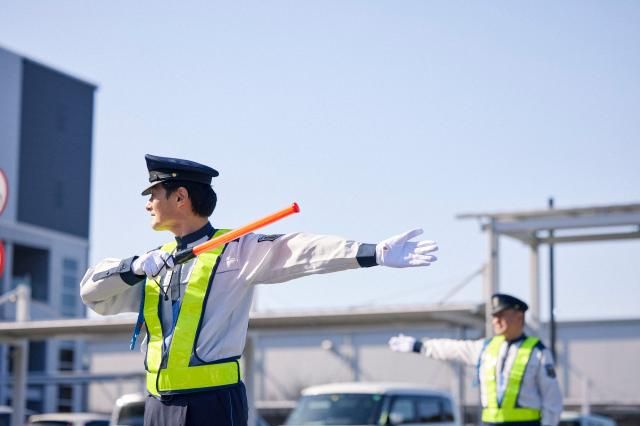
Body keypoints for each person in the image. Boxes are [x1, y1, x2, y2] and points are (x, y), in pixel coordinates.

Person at [80, 154, 439, 426]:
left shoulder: (236, 250)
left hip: (211, 405)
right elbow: (92, 293)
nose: (147, 204)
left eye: (154, 193)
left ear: (181, 197)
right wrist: (132, 267)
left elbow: (301, 250)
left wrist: (373, 252)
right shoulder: (153, 263)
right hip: (157, 405)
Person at [388, 293, 563, 426]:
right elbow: (452, 349)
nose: (495, 321)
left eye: (501, 315)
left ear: (519, 316)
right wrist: (419, 346)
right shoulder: (486, 348)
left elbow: (552, 400)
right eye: (494, 316)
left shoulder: (537, 352)